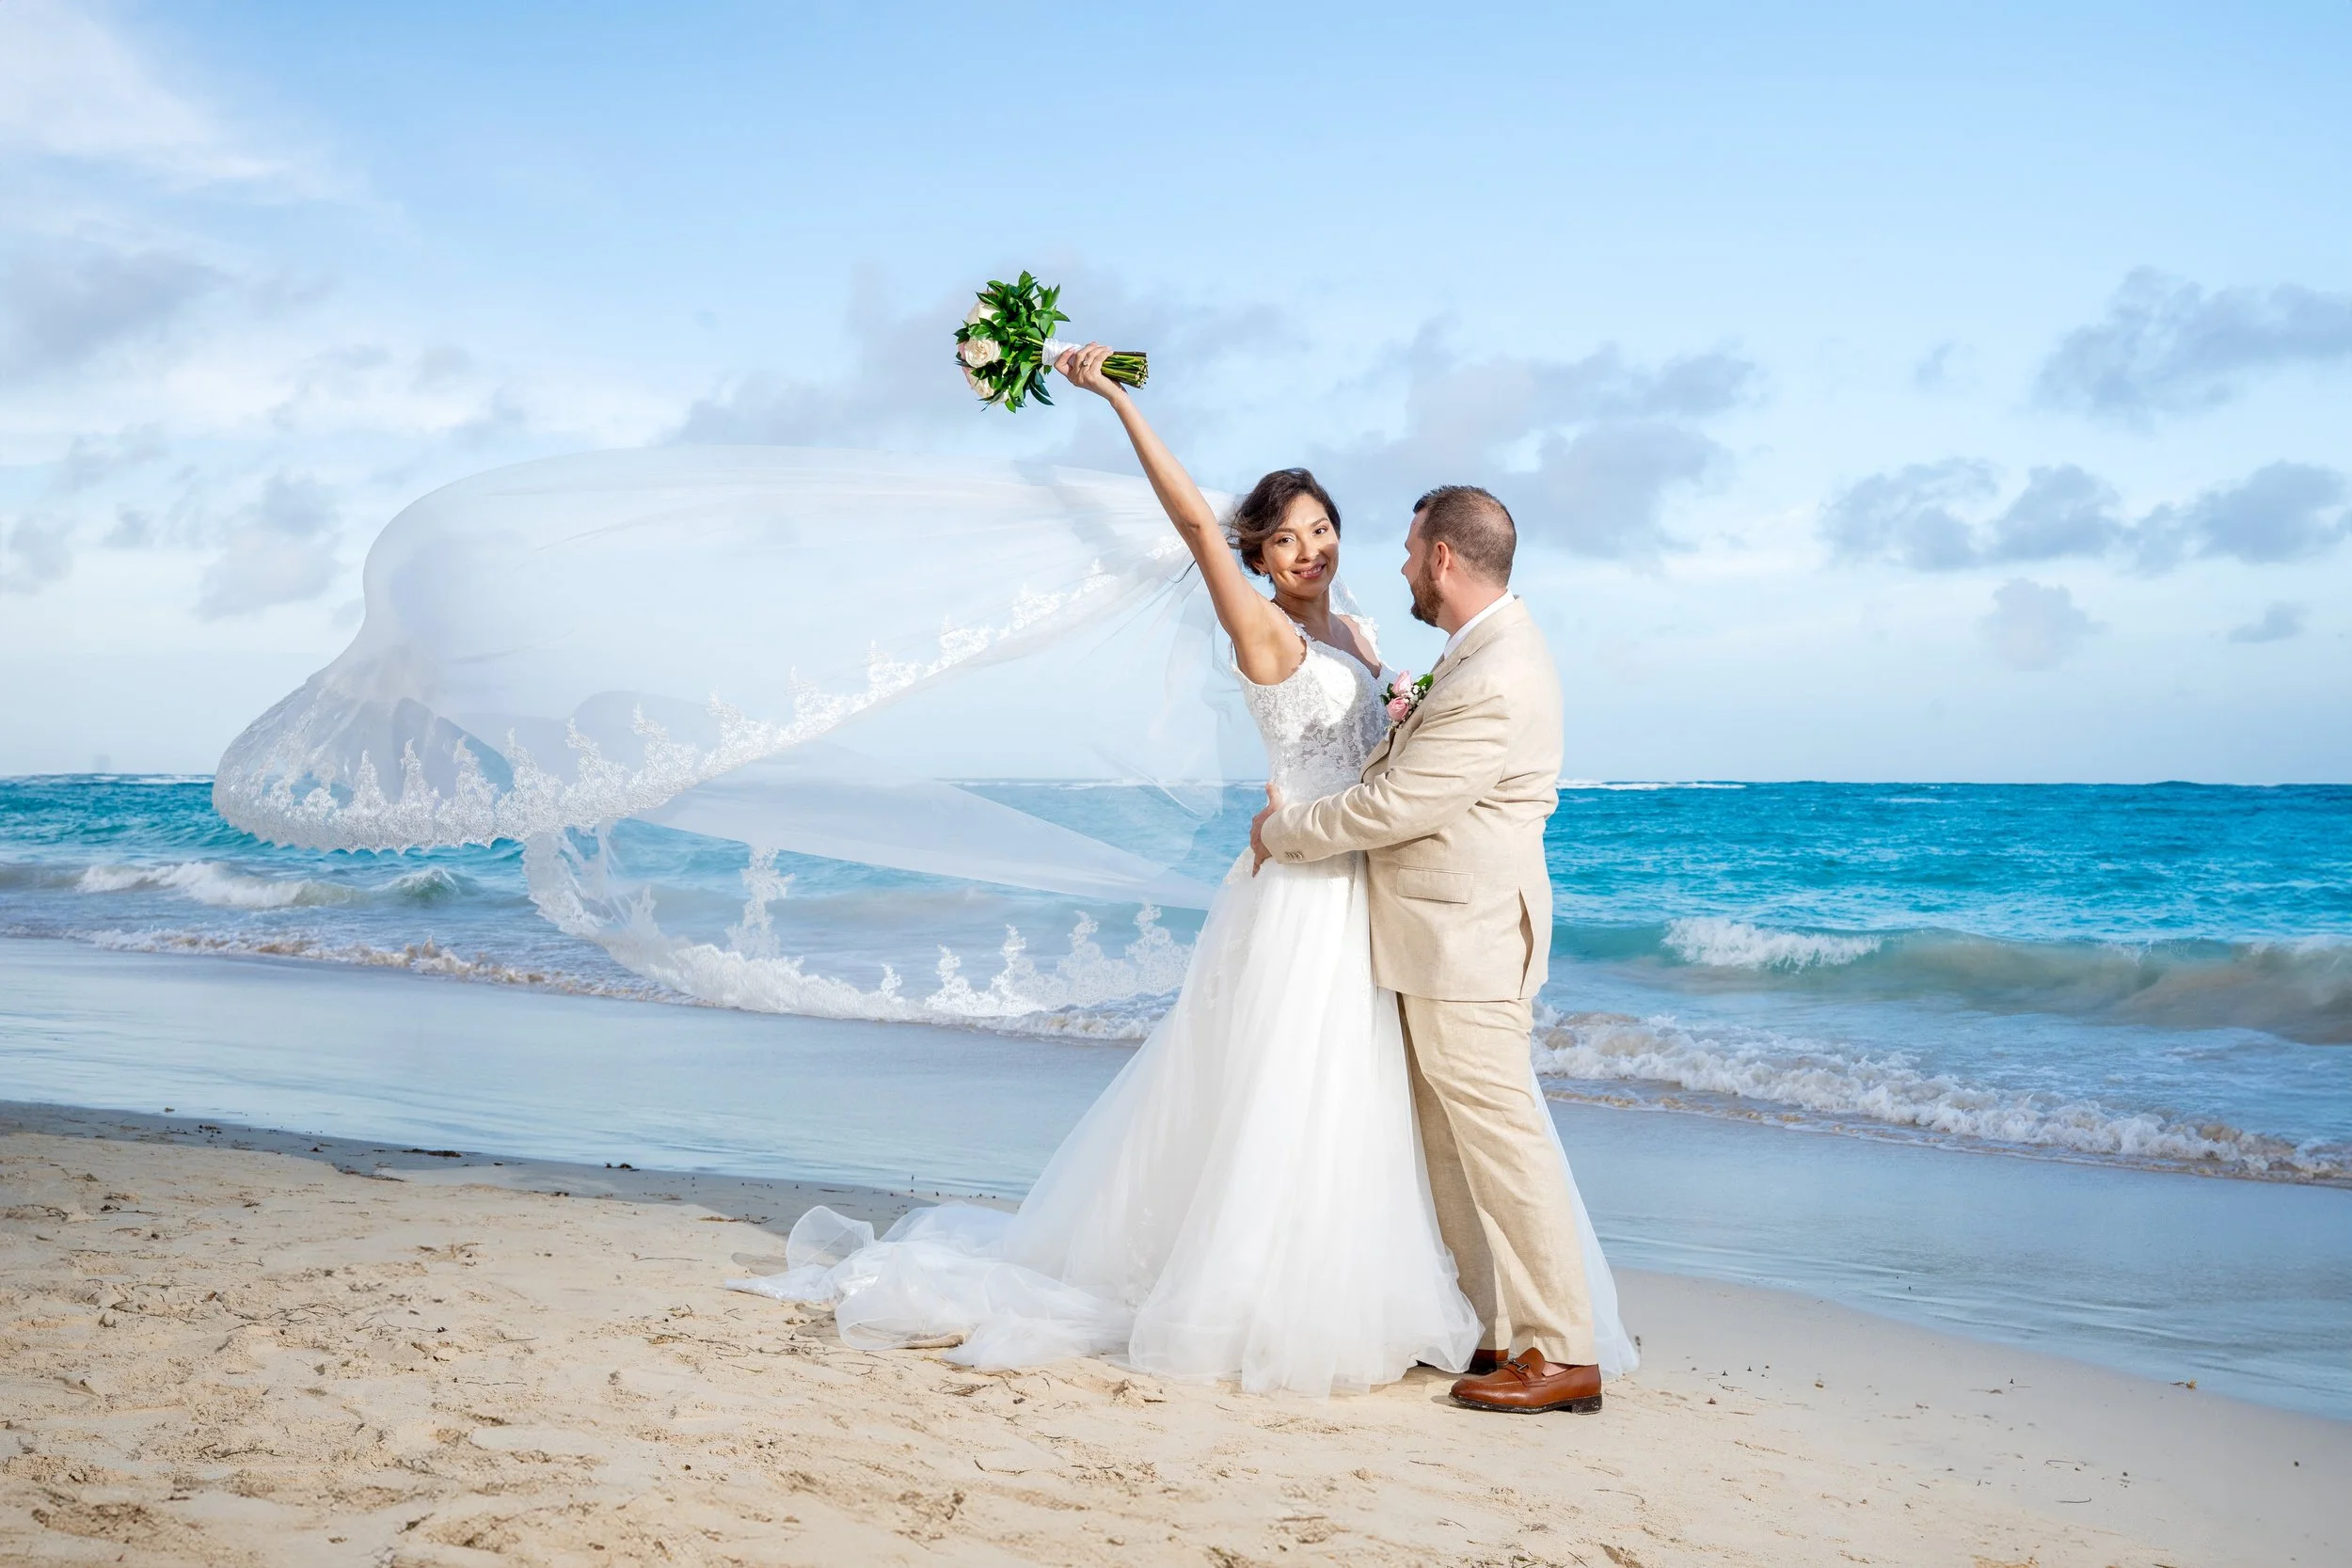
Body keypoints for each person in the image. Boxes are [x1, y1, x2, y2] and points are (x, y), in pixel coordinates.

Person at [732, 345, 1631, 1402]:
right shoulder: (1260, 632)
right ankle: (1301, 1298)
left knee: (1371, 1107)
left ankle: (1465, 1317)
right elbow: (1196, 525)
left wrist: (1307, 818)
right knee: (1288, 1095)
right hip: (1305, 892)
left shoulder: (1366, 633)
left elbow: (1399, 780)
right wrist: (1114, 398)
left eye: (1324, 528)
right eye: (1285, 536)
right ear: (1254, 553)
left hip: (1360, 889)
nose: (1312, 549)